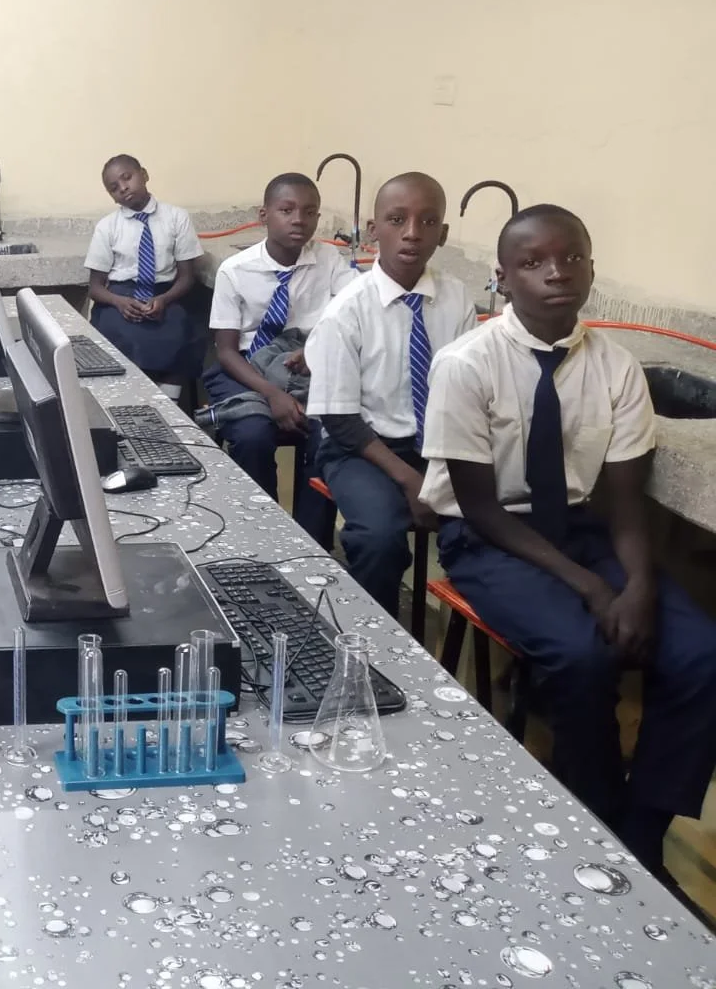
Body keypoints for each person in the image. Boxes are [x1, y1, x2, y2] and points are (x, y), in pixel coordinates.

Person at [421, 204, 716, 884]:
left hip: (584, 528)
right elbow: (481, 509)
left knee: (701, 652)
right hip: (490, 537)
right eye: (533, 262)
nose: (556, 273)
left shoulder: (616, 368)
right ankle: (597, 821)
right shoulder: (466, 363)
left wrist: (637, 588)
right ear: (503, 277)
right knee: (582, 655)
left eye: (571, 258)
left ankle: (644, 832)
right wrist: (595, 590)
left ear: (590, 269)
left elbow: (625, 502)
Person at [305, 174, 476, 614]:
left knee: (492, 523)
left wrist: (439, 473)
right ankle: (374, 643)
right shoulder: (346, 311)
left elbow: (466, 395)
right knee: (378, 538)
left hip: (440, 446)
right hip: (362, 448)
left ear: (444, 234)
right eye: (397, 220)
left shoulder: (457, 299)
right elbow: (340, 419)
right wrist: (411, 481)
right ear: (373, 228)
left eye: (428, 221)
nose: (413, 233)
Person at [206, 173, 354, 537]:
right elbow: (226, 352)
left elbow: (356, 313)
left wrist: (317, 348)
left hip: (307, 366)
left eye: (309, 212)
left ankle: (313, 541)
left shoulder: (329, 260)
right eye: (287, 210)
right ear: (264, 215)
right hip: (245, 367)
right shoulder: (234, 271)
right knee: (252, 435)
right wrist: (273, 394)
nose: (299, 220)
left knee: (329, 434)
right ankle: (264, 535)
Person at [84, 153, 204, 389]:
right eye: (113, 188)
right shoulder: (107, 227)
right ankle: (131, 400)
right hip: (119, 299)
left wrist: (164, 299)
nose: (123, 188)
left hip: (165, 295)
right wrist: (119, 302)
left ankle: (169, 402)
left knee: (185, 333)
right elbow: (95, 288)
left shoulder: (176, 217)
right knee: (118, 338)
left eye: (127, 177)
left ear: (145, 175)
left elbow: (187, 277)